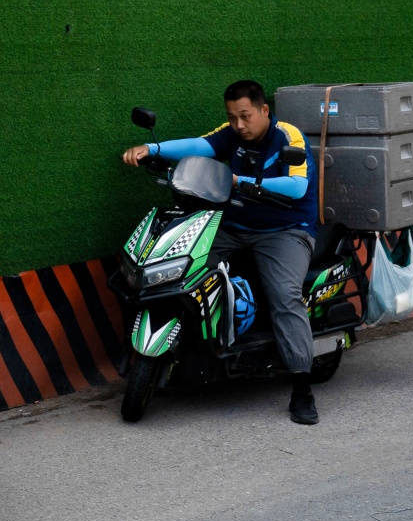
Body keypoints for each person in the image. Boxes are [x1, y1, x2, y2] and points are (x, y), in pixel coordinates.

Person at [121, 80, 322, 425]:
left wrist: (240, 182)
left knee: (285, 295)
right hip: (232, 227)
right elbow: (200, 145)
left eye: (245, 116)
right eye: (232, 118)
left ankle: (302, 388)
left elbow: (297, 185)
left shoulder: (289, 137)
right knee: (181, 264)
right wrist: (151, 151)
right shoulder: (232, 134)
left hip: (285, 231)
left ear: (263, 110)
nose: (239, 125)